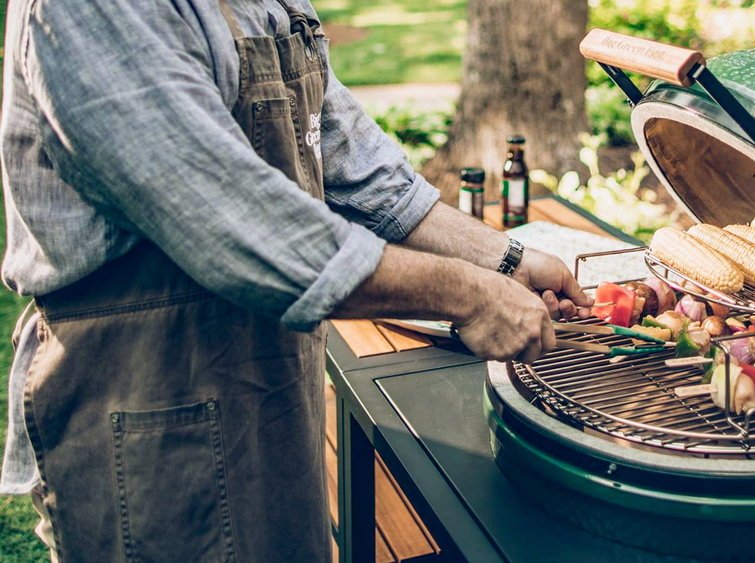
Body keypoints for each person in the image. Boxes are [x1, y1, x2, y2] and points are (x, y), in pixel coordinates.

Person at [0, 0, 592, 560]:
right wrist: (468, 294)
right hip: (150, 405)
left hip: (269, 386)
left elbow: (367, 176)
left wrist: (508, 259)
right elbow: (242, 229)